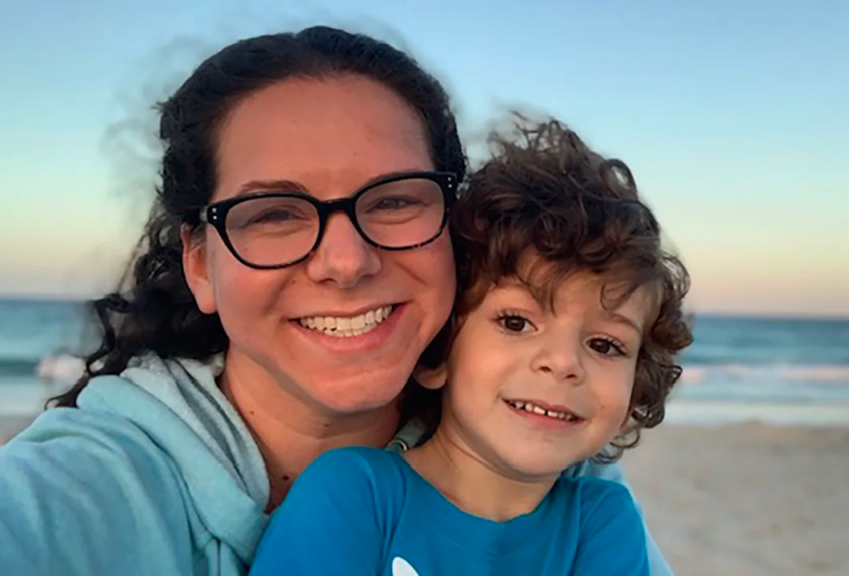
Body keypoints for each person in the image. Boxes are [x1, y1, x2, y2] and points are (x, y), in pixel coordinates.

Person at [0, 26, 678, 576]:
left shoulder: (562, 479)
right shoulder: (71, 493)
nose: (346, 261)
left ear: (455, 236)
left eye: (394, 200)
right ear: (201, 263)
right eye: (275, 213)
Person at [249, 117, 692, 576]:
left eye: (605, 344)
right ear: (440, 350)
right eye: (516, 322)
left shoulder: (601, 521)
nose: (563, 363)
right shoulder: (355, 495)